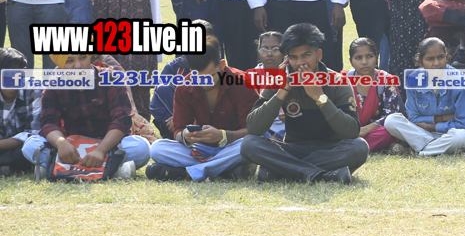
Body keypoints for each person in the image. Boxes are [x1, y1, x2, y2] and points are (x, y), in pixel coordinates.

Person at [242, 23, 367, 184]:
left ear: (318, 55)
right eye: (293, 57)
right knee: (249, 144)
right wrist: (282, 90)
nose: (300, 63)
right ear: (287, 59)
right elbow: (254, 128)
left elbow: (351, 132)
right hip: (293, 149)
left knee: (359, 147)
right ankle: (323, 175)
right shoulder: (279, 80)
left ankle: (284, 171)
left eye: (306, 55)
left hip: (330, 149)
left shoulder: (338, 81)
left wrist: (320, 98)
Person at [23, 53, 152, 181]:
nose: (78, 65)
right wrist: (61, 143)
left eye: (83, 58)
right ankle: (115, 169)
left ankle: (55, 167)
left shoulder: (111, 78)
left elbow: (121, 120)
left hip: (109, 145)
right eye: (70, 61)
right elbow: (49, 123)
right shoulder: (54, 85)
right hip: (73, 149)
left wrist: (100, 151)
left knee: (140, 147)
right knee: (30, 145)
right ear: (61, 64)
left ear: (90, 57)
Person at [145, 36, 259, 181]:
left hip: (232, 146)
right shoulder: (184, 86)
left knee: (250, 145)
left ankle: (189, 173)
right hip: (199, 149)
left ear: (222, 65)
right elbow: (178, 131)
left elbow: (253, 131)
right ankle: (224, 170)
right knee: (157, 149)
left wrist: (224, 135)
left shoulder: (242, 82)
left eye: (210, 76)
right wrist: (185, 136)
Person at [383, 37, 465, 156]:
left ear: (447, 56)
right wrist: (441, 119)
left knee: (461, 137)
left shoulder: (460, 80)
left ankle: (416, 152)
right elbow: (414, 119)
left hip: (451, 133)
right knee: (391, 121)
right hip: (422, 133)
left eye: (440, 57)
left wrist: (431, 125)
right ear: (420, 62)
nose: (436, 63)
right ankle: (435, 148)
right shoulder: (414, 79)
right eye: (430, 59)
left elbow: (464, 124)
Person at [148, 19, 215, 140]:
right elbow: (156, 105)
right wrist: (176, 119)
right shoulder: (174, 66)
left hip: (208, 123)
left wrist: (191, 119)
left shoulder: (216, 67)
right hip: (175, 124)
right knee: (163, 88)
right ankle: (181, 134)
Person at [346, 37, 405, 153]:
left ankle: (350, 146)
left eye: (369, 56)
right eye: (358, 58)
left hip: (375, 131)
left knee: (387, 132)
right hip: (349, 130)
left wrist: (365, 130)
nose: (364, 62)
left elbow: (392, 115)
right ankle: (355, 144)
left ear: (376, 57)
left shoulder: (387, 80)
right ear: (351, 60)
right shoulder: (344, 79)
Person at [0, 48, 40, 175]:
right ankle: (7, 167)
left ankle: (8, 166)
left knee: (33, 149)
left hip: (22, 147)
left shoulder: (34, 90)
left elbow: (34, 133)